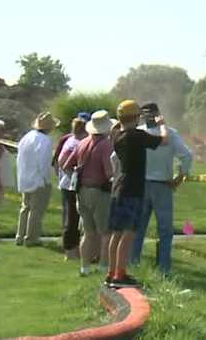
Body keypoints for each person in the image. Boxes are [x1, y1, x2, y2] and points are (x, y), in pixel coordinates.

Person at [106, 99, 169, 288]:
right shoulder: (137, 135)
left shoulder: (116, 135)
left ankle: (111, 272)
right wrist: (162, 125)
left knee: (116, 233)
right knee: (129, 233)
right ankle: (120, 274)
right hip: (133, 189)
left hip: (118, 187)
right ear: (136, 117)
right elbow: (164, 140)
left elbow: (118, 126)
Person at [129, 102, 193, 275]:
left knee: (138, 228)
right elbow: (186, 155)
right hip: (162, 186)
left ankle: (132, 265)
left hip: (141, 185)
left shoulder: (137, 133)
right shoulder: (170, 133)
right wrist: (180, 176)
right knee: (165, 231)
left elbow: (116, 157)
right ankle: (164, 269)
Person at [64, 110, 116, 275]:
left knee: (88, 232)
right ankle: (103, 267)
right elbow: (109, 173)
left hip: (82, 192)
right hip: (99, 192)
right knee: (106, 232)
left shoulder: (82, 142)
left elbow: (65, 165)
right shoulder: (106, 145)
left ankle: (84, 267)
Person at [15, 112, 57, 246]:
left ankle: (20, 235)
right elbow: (44, 163)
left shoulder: (26, 137)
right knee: (36, 210)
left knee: (25, 208)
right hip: (38, 179)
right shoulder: (45, 140)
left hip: (25, 178)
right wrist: (47, 180)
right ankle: (31, 237)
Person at [56, 116, 89, 259]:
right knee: (72, 219)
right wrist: (75, 175)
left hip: (66, 183)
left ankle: (72, 249)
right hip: (71, 185)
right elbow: (64, 163)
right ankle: (71, 250)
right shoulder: (77, 143)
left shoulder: (70, 140)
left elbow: (59, 162)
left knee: (71, 218)